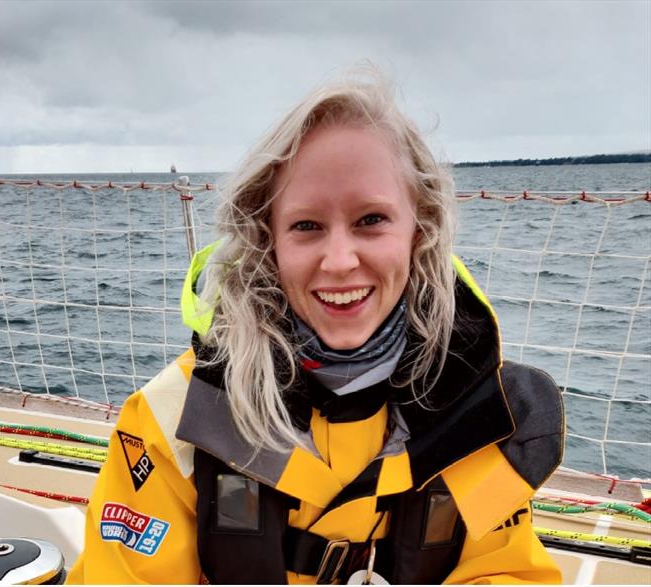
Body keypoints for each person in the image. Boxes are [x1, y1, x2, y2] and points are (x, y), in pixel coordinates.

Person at [67, 66, 564, 585]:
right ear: (268, 242)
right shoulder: (171, 421)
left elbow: (506, 569)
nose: (340, 260)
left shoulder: (478, 409)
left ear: (421, 229)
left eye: (371, 220)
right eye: (307, 226)